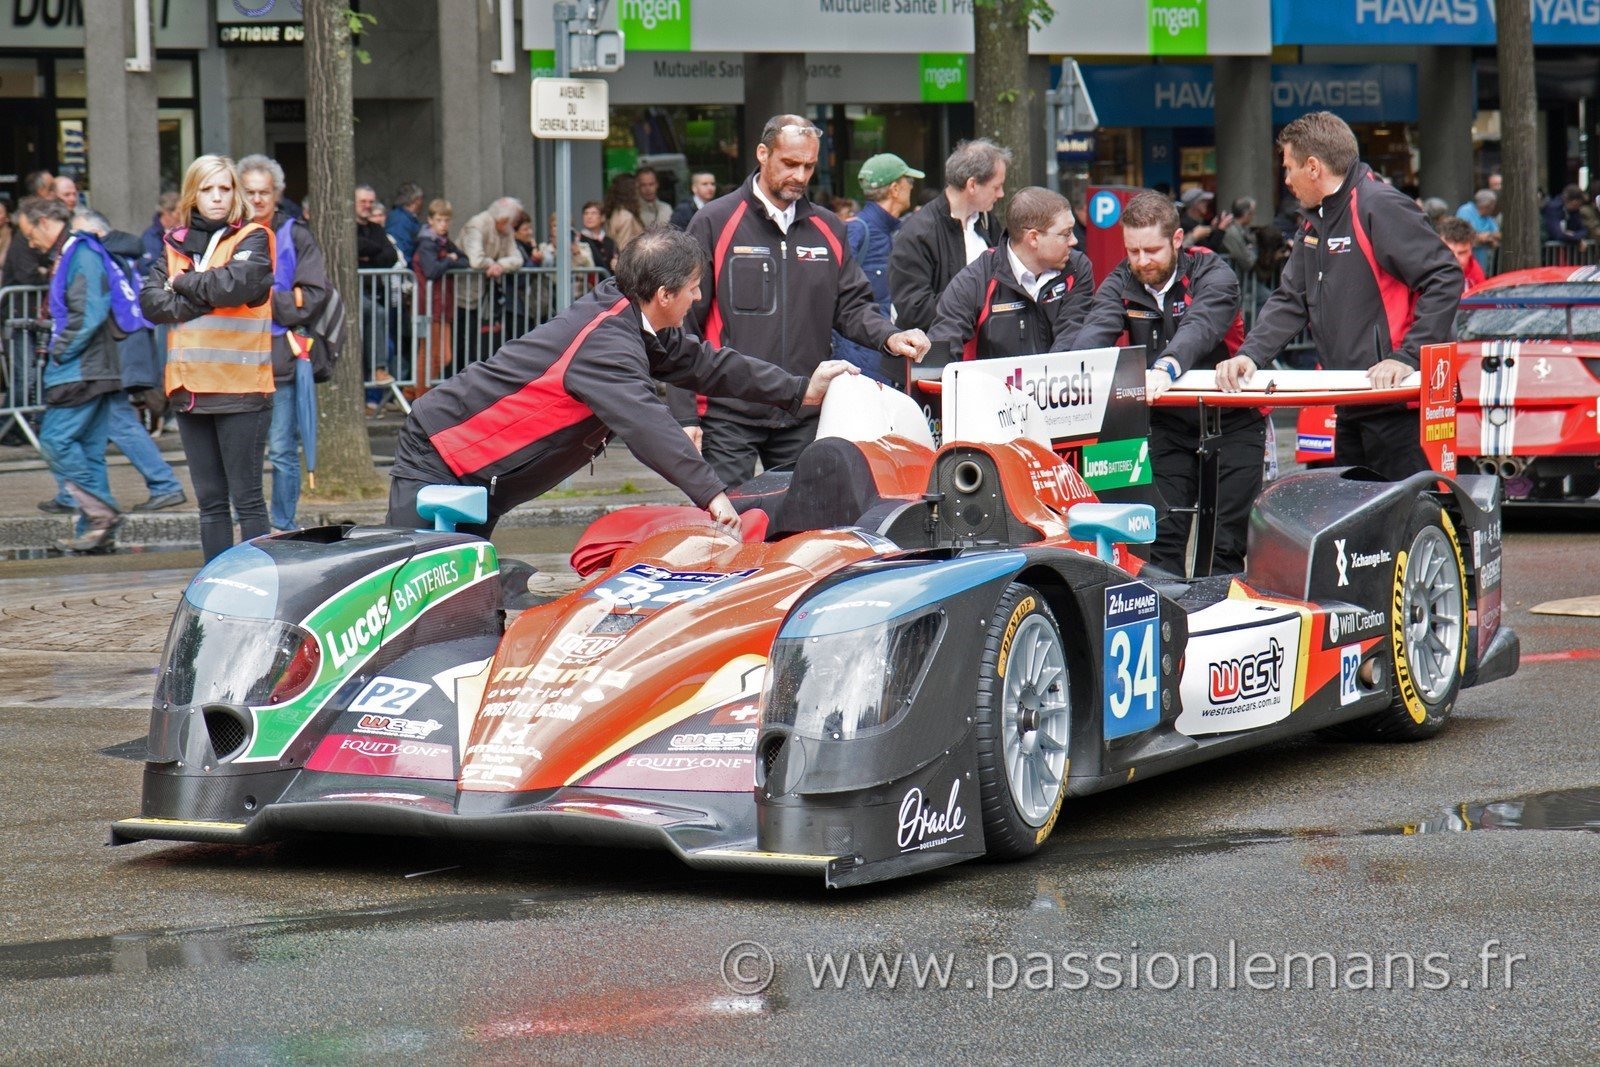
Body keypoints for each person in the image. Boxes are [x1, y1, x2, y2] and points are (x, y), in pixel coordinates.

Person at [386, 229, 861, 535]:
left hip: (482, 469)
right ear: (663, 294)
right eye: (693, 288)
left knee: (462, 599)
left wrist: (799, 390)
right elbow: (646, 423)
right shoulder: (606, 345)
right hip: (443, 453)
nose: (698, 297)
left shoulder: (631, 315)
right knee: (404, 597)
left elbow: (707, 364)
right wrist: (711, 493)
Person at [680, 113, 931, 487]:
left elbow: (852, 305)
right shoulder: (714, 221)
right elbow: (682, 320)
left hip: (803, 407)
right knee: (726, 519)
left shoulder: (828, 228)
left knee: (803, 519)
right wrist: (685, 414)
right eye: (790, 163)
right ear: (763, 154)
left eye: (809, 166)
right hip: (728, 410)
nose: (799, 175)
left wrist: (890, 336)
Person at [1215, 112, 1462, 482]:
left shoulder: (1377, 204)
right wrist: (1250, 355)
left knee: (1412, 510)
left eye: (1289, 168)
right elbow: (1291, 299)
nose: (1286, 180)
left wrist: (1407, 358)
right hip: (1352, 398)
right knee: (1356, 510)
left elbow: (1444, 276)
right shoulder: (1316, 219)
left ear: (1313, 167)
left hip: (1399, 404)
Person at [1073, 190, 1257, 576]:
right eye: (1133, 251)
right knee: (1161, 536)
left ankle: (1220, 610)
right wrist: (1072, 371)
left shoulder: (1212, 272)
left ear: (1177, 240)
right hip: (1168, 422)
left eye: (1152, 250)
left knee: (1225, 542)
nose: (1142, 261)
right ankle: (1167, 610)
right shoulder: (1122, 280)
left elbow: (1201, 325)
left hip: (1234, 418)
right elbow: (1095, 330)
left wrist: (1166, 367)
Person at [139, 153, 275, 562]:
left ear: (235, 194)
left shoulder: (252, 237)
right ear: (192, 195)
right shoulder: (174, 242)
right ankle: (213, 583)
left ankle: (259, 583)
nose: (217, 197)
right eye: (207, 189)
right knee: (211, 502)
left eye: (225, 188)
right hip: (189, 389)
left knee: (247, 500)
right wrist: (203, 294)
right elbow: (151, 303)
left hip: (241, 390)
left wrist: (182, 283)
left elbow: (234, 285)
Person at [41, 210, 186, 516]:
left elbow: (92, 309)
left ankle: (162, 485)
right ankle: (81, 497)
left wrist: (62, 349)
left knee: (117, 423)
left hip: (114, 348)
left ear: (95, 232)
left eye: (78, 232)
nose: (72, 239)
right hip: (123, 344)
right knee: (109, 423)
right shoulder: (117, 253)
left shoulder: (91, 253)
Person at [22, 199, 127, 552]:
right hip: (93, 367)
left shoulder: (79, 253)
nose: (31, 244)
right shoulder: (77, 252)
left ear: (44, 222)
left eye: (29, 234)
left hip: (80, 369)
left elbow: (88, 314)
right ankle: (95, 532)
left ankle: (101, 515)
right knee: (90, 450)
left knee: (55, 440)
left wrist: (60, 350)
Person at [239, 154, 330, 534]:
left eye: (264, 192)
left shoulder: (296, 235)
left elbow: (311, 297)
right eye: (250, 192)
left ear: (277, 193)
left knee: (280, 449)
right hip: (235, 359)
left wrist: (254, 298)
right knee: (241, 451)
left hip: (282, 359)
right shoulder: (228, 235)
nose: (257, 199)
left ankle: (282, 525)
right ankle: (250, 524)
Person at [929, 186, 1095, 362]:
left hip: (1059, 377)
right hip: (991, 380)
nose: (1074, 241)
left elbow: (1072, 337)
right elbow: (942, 347)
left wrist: (1045, 376)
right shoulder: (976, 280)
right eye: (1066, 234)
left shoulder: (1076, 268)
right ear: (1033, 238)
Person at [888, 137, 1009, 332]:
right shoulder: (918, 232)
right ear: (972, 185)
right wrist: (977, 303)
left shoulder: (988, 222)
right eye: (996, 186)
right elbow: (914, 310)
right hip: (936, 346)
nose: (1001, 194)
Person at [833, 153, 923, 383]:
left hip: (887, 354)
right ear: (895, 189)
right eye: (909, 182)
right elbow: (838, 297)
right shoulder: (856, 231)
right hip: (860, 363)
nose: (912, 187)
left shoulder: (897, 231)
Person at [456, 196, 525, 366]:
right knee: (462, 341)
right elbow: (476, 260)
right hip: (463, 294)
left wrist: (500, 265)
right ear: (504, 219)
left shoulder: (506, 230)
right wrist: (492, 264)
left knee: (480, 341)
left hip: (486, 295)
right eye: (514, 221)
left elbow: (518, 259)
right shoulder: (477, 224)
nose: (515, 226)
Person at [411, 198, 466, 396]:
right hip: (429, 305)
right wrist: (449, 261)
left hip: (442, 305)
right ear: (430, 220)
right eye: (439, 220)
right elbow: (431, 270)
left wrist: (449, 260)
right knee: (431, 354)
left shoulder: (444, 242)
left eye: (446, 220)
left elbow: (465, 260)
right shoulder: (427, 243)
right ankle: (418, 393)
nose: (443, 225)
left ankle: (414, 391)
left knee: (443, 356)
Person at [2, 195, 51, 288]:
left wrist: (46, 272)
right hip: (19, 295)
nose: (31, 244)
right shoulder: (22, 240)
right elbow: (28, 275)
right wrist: (49, 274)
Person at [1437, 215, 1487, 294]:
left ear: (1471, 251)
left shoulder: (1476, 275)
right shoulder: (1424, 270)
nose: (1455, 258)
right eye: (1449, 252)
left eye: (1462, 253)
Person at [1455, 189, 1500, 275]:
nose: (1494, 208)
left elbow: (1498, 234)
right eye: (1493, 205)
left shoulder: (1487, 217)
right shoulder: (1466, 211)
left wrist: (1488, 236)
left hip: (1482, 261)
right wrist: (1481, 237)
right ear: (1487, 205)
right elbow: (1461, 234)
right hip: (1466, 259)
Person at [603, 174, 647, 251]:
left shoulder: (614, 212)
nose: (639, 192)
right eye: (636, 189)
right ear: (630, 192)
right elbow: (624, 248)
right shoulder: (626, 216)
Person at [1178, 188, 1230, 253]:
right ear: (1196, 204)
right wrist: (1221, 229)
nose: (1206, 203)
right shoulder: (1185, 224)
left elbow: (1206, 242)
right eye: (1203, 201)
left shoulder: (1193, 221)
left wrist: (1213, 228)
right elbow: (1208, 251)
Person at [386, 181, 425, 264]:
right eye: (421, 199)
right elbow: (402, 249)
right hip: (405, 266)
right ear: (416, 200)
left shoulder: (408, 218)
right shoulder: (400, 220)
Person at [1221, 196, 1259, 275]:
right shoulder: (1232, 232)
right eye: (1252, 213)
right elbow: (1247, 262)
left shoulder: (1243, 230)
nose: (1253, 216)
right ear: (1246, 214)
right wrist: (1252, 250)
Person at [1543, 184, 1588, 249]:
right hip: (1551, 250)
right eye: (1578, 205)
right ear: (1574, 201)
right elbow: (1557, 234)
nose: (1578, 208)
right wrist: (1577, 239)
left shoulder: (1573, 211)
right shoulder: (1553, 209)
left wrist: (1574, 235)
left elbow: (1584, 230)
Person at [577, 200, 617, 271]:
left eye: (594, 213)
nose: (589, 217)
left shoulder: (609, 242)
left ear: (602, 217)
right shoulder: (578, 239)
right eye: (586, 213)